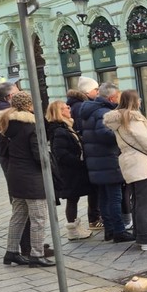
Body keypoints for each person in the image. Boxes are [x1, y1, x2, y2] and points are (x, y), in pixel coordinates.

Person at [105, 90, 147, 251]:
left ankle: (142, 234)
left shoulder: (119, 119)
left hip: (130, 163)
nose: (141, 101)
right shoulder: (132, 118)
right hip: (141, 164)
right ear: (134, 101)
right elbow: (146, 142)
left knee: (138, 201)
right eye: (139, 99)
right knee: (146, 202)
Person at [0, 92, 54, 267]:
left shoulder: (6, 124)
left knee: (18, 216)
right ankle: (36, 254)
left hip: (15, 174)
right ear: (30, 105)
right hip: (32, 178)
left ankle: (11, 252)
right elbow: (39, 155)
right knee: (38, 217)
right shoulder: (32, 125)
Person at [79, 82, 134, 243]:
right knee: (115, 198)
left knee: (104, 197)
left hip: (97, 161)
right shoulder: (103, 112)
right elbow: (105, 135)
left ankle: (109, 230)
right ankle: (118, 230)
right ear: (111, 97)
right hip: (107, 160)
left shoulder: (91, 111)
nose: (118, 99)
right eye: (117, 96)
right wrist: (121, 130)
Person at [46, 100, 93, 241]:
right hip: (69, 172)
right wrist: (79, 162)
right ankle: (72, 229)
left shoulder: (66, 127)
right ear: (59, 112)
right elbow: (61, 154)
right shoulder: (60, 130)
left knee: (74, 198)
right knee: (72, 199)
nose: (69, 109)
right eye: (65, 108)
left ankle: (75, 226)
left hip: (73, 170)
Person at [66, 77, 101, 228]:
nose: (97, 92)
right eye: (95, 89)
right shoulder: (81, 107)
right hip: (82, 155)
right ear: (88, 91)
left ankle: (84, 222)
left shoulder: (73, 104)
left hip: (78, 155)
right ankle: (93, 219)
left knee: (74, 195)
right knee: (90, 189)